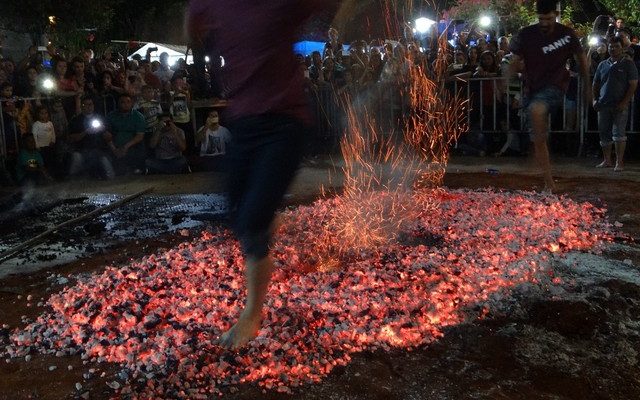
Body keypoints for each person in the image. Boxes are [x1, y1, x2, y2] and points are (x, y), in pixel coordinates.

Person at [187, 0, 341, 349]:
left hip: (284, 123)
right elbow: (192, 20)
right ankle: (267, 219)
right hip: (242, 121)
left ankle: (252, 316)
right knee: (235, 213)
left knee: (253, 222)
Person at [505, 0, 591, 191]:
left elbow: (582, 59)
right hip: (532, 88)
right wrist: (507, 77)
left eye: (549, 19)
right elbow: (515, 59)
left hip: (555, 86)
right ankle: (548, 181)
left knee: (537, 110)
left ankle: (537, 151)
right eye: (541, 19)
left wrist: (587, 86)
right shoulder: (526, 34)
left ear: (556, 14)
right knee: (537, 138)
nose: (544, 23)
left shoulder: (567, 34)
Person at [592, 36, 638, 172]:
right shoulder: (602, 64)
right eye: (611, 46)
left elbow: (633, 84)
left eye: (616, 46)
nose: (613, 49)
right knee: (604, 132)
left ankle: (619, 162)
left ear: (622, 48)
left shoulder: (628, 64)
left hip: (619, 104)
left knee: (619, 133)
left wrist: (624, 101)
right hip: (604, 103)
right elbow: (595, 83)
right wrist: (594, 99)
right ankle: (607, 160)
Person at [67, 96, 115, 179]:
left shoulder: (101, 118)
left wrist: (103, 130)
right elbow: (71, 138)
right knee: (76, 158)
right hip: (82, 149)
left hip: (100, 149)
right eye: (87, 104)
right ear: (82, 106)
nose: (89, 107)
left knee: (109, 174)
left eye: (91, 104)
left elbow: (109, 138)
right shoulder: (76, 120)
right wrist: (86, 132)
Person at [104, 93, 146, 175]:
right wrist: (114, 149)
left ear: (132, 103)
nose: (126, 105)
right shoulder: (110, 116)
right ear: (118, 104)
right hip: (115, 146)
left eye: (128, 102)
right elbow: (106, 134)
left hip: (132, 146)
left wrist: (125, 147)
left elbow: (139, 136)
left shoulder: (138, 116)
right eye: (123, 102)